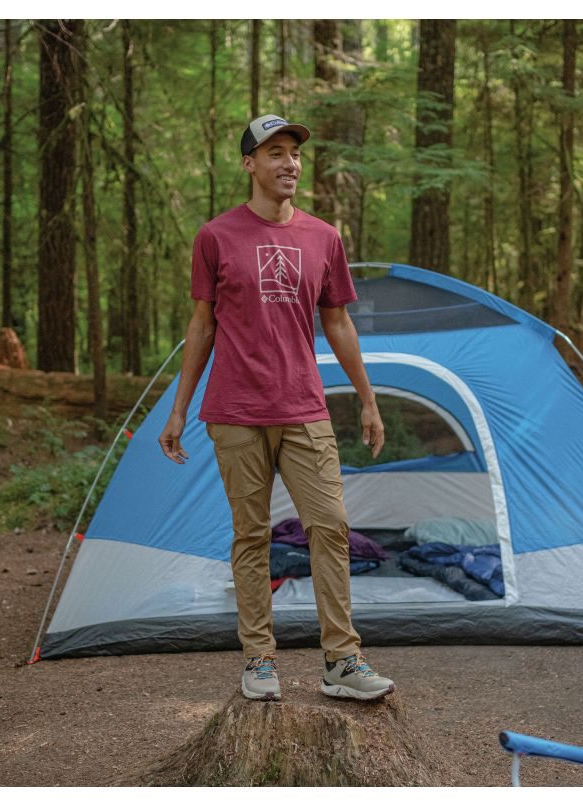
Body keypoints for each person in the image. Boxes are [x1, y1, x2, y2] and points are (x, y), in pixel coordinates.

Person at [158, 114, 395, 702]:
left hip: (304, 407)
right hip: (235, 410)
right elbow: (202, 325)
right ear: (249, 164)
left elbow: (337, 322)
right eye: (275, 153)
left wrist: (367, 399)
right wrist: (178, 409)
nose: (289, 163)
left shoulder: (323, 237)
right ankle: (259, 660)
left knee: (331, 527)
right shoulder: (216, 236)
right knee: (251, 535)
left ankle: (342, 660)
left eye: (294, 153)